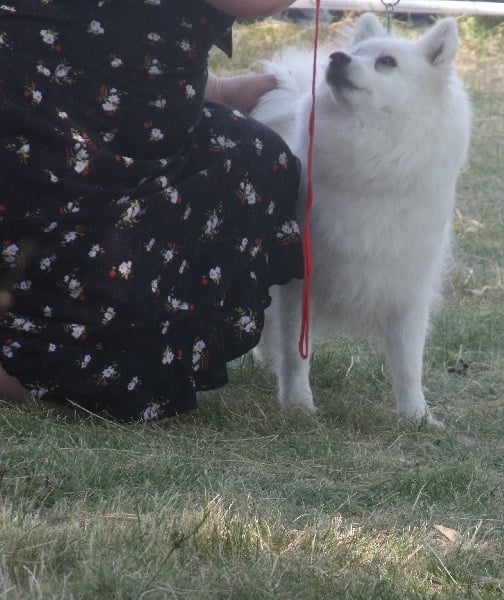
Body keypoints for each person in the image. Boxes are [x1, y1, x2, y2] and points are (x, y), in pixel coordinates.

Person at [0, 0, 306, 420]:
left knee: (259, 155)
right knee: (102, 383)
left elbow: (125, 25)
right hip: (62, 127)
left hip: (77, 102)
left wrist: (216, 89)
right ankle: (38, 365)